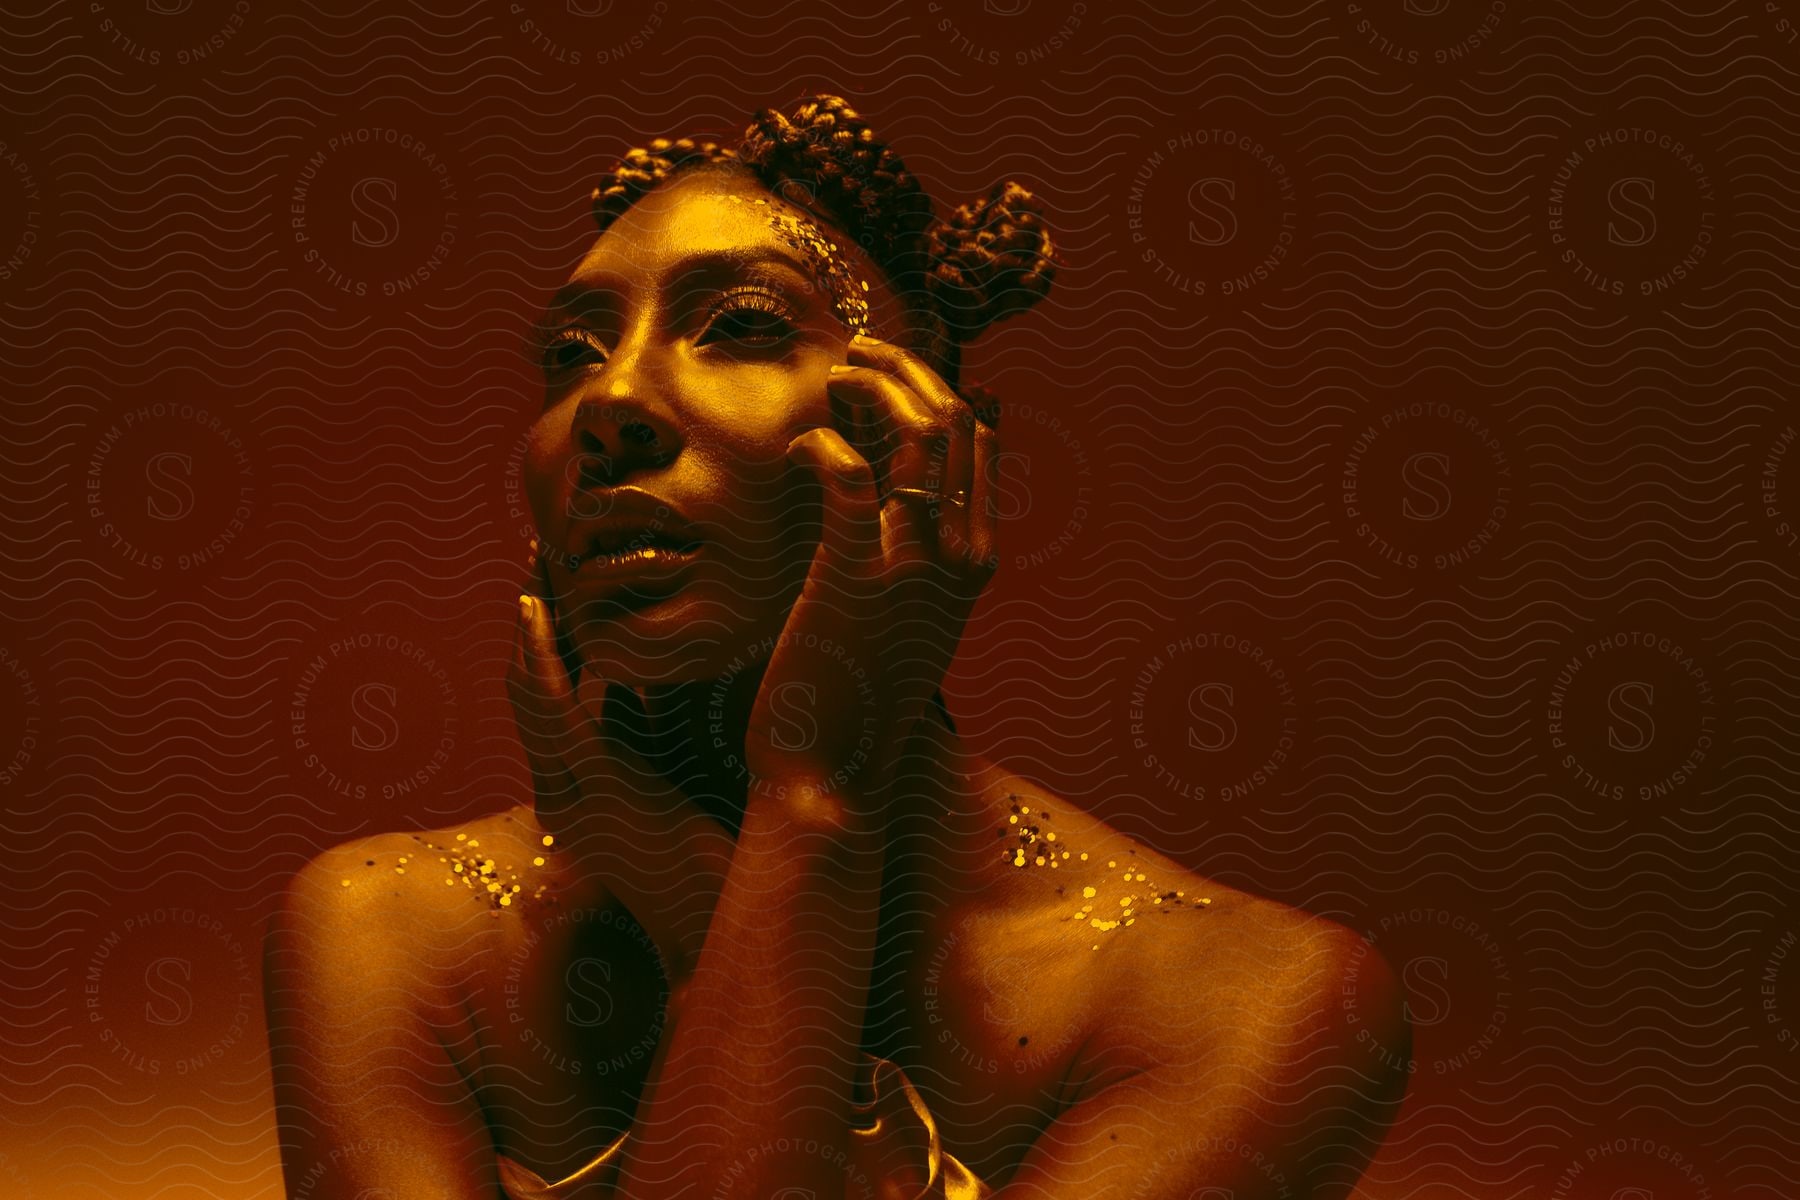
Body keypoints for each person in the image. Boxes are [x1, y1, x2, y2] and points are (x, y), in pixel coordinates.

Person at [264, 94, 1408, 1200]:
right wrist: (715, 910)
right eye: (571, 351)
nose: (610, 399)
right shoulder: (385, 934)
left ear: (942, 447)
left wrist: (813, 801)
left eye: (743, 327)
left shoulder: (1251, 1003)